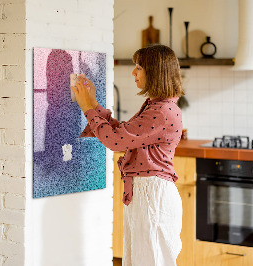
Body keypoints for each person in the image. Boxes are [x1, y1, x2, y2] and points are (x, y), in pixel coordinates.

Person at [71, 44, 184, 266]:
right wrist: (93, 104)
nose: (133, 72)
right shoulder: (157, 106)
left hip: (152, 195)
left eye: (139, 67)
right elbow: (123, 133)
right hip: (146, 193)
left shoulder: (161, 111)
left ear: (155, 71)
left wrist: (87, 108)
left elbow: (115, 141)